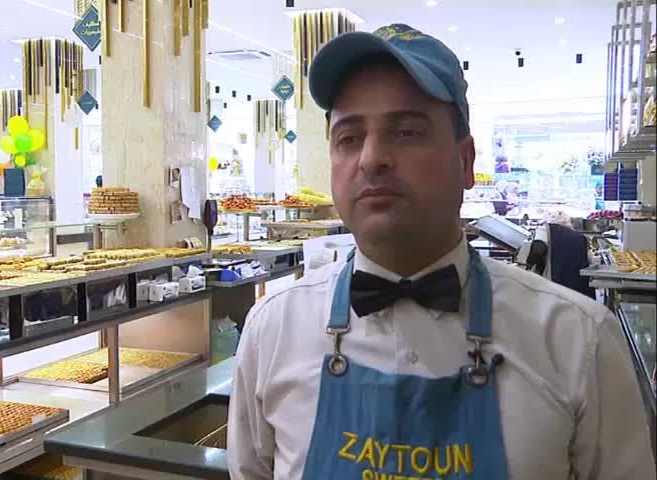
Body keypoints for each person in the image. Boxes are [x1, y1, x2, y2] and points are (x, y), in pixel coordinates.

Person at [227, 24, 655, 480]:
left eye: (407, 132)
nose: (371, 158)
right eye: (349, 138)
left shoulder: (578, 340)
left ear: (466, 162)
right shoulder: (271, 330)